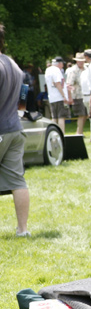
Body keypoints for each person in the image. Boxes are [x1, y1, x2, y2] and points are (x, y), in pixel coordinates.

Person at [0, 24, 30, 236]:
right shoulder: (14, 65)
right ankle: (22, 230)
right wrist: (18, 116)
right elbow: (23, 98)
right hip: (15, 129)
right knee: (18, 181)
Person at [65, 52, 88, 135]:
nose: (81, 62)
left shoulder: (86, 69)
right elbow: (68, 84)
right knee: (81, 115)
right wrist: (70, 97)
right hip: (77, 96)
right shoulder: (73, 70)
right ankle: (79, 133)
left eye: (82, 60)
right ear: (76, 61)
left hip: (85, 94)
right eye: (79, 60)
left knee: (85, 114)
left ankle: (79, 132)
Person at [44, 57, 70, 132]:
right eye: (62, 64)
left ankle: (54, 133)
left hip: (52, 97)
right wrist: (64, 96)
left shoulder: (48, 70)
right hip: (59, 97)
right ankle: (62, 133)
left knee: (54, 117)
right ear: (59, 63)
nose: (63, 66)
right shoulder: (56, 70)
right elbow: (57, 83)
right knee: (61, 117)